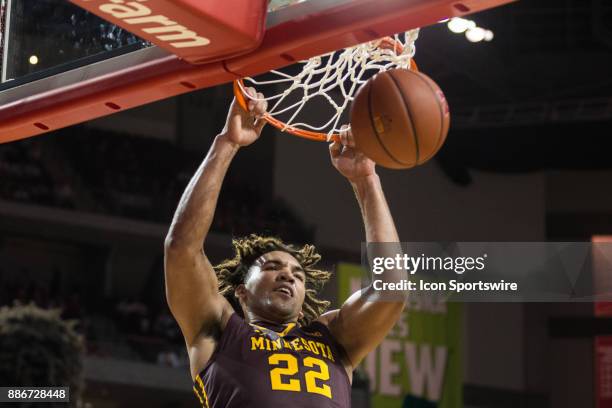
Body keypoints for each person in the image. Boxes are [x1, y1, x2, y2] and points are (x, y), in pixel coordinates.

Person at [164, 88, 405, 407]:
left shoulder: (333, 338)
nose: (288, 277)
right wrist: (227, 143)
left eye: (297, 274)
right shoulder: (220, 331)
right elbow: (182, 248)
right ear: (241, 291)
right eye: (271, 267)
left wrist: (366, 180)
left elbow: (392, 290)